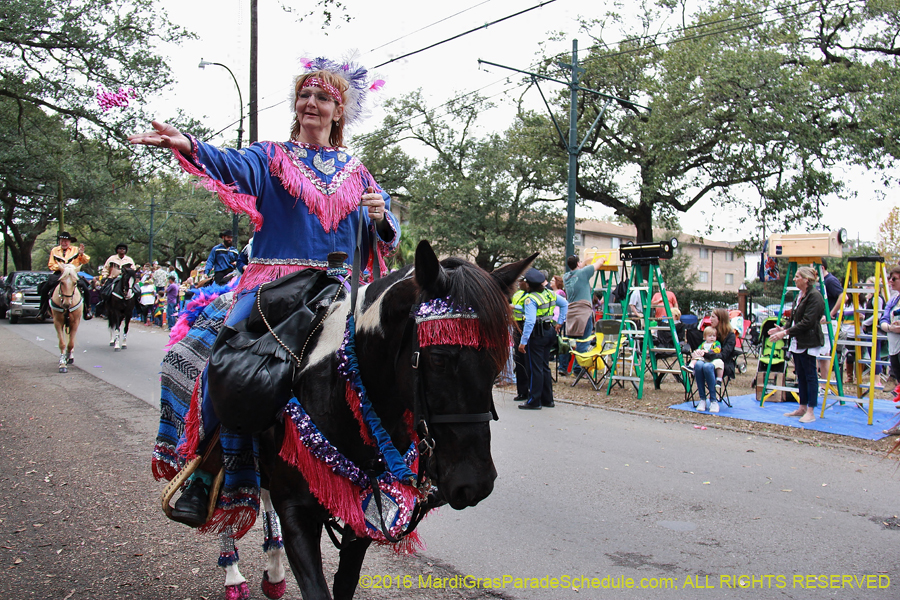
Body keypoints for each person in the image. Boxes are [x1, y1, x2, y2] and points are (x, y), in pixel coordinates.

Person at [130, 57, 398, 527]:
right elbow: (231, 164)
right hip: (272, 286)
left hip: (339, 289)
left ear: (339, 111)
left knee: (387, 364)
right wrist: (188, 144)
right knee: (219, 360)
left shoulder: (357, 171)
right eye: (304, 96)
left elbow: (385, 233)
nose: (310, 103)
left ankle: (380, 476)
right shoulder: (272, 156)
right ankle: (203, 473)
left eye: (322, 98)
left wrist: (381, 218)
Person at [769, 267, 826, 424]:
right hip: (798, 340)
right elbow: (794, 317)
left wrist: (785, 333)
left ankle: (811, 410)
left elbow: (808, 322)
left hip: (809, 340)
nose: (794, 279)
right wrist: (783, 329)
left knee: (810, 374)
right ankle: (802, 406)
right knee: (800, 374)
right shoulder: (800, 296)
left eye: (797, 276)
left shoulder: (815, 297)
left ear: (806, 279)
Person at [518, 268, 568, 410]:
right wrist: (560, 322)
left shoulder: (531, 299)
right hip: (549, 331)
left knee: (536, 368)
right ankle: (548, 399)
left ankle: (534, 400)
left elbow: (529, 321)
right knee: (545, 366)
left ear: (528, 285)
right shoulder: (549, 293)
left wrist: (523, 342)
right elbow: (564, 304)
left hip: (537, 334)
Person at [693, 308, 736, 413]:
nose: (710, 319)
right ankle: (702, 399)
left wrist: (707, 354)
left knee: (707, 367)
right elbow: (703, 346)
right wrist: (697, 352)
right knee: (698, 365)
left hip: (721, 364)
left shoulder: (730, 335)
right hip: (705, 360)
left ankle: (713, 400)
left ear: (720, 319)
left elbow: (724, 355)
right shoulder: (709, 332)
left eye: (713, 316)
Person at [40, 232, 90, 319]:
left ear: (69, 242)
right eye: (62, 241)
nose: (64, 243)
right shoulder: (54, 250)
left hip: (73, 273)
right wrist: (61, 267)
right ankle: (42, 311)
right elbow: (51, 265)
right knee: (45, 288)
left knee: (85, 288)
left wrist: (82, 254)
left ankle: (87, 310)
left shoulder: (76, 250)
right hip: (59, 273)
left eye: (66, 241)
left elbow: (85, 261)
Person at [563, 254, 603, 356]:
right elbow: (599, 263)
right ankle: (579, 368)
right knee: (584, 341)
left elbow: (578, 269)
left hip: (571, 313)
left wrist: (584, 261)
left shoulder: (566, 277)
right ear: (578, 263)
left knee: (570, 341)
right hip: (583, 313)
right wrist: (601, 257)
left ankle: (563, 367)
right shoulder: (583, 273)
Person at [878, 266, 900, 404]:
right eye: (889, 279)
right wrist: (889, 327)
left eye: (894, 279)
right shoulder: (893, 299)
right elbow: (884, 319)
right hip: (894, 347)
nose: (890, 282)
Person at [510, 277, 530, 401]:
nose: (519, 283)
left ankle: (530, 390)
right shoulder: (518, 294)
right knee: (519, 360)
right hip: (517, 326)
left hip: (527, 326)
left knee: (528, 361)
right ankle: (522, 391)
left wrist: (515, 307)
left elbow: (528, 309)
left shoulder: (533, 295)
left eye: (522, 281)